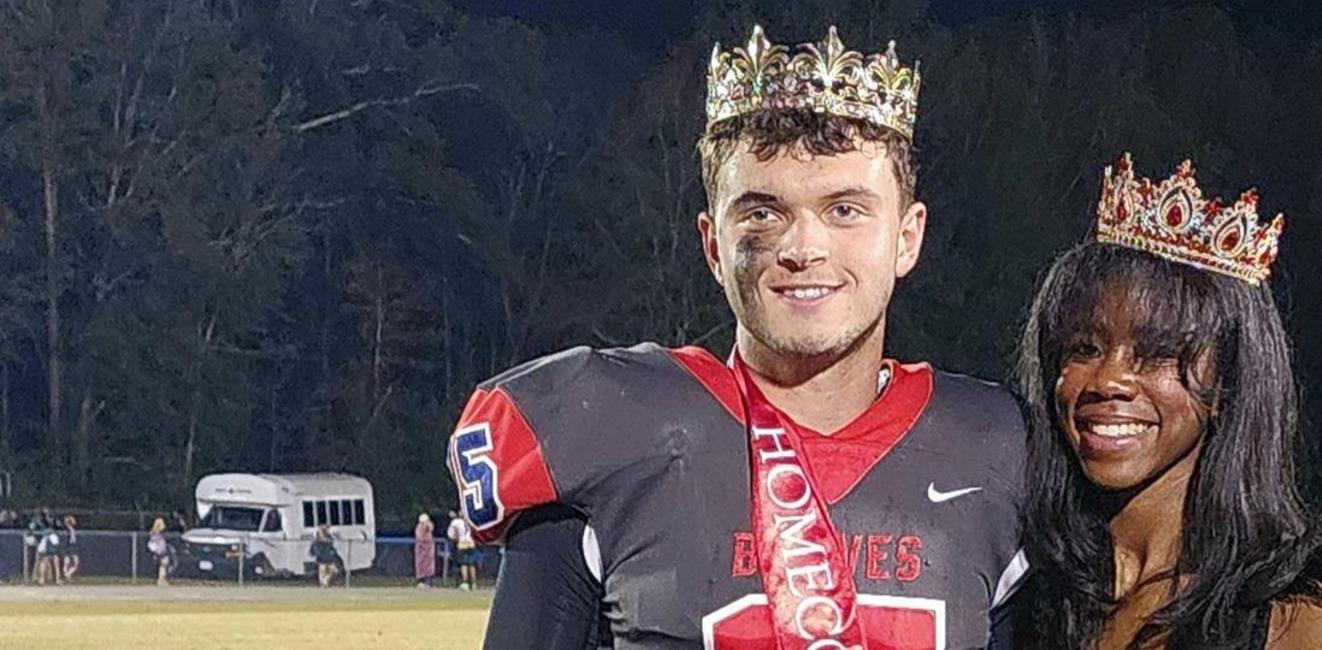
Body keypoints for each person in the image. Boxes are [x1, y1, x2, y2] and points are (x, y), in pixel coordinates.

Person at [448, 25, 1028, 650]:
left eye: (845, 209)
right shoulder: (606, 433)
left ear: (908, 237)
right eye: (761, 213)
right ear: (712, 245)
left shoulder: (997, 448)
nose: (803, 248)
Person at [1009, 154, 1322, 649]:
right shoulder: (1018, 590)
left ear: (1229, 381)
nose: (1109, 379)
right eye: (1084, 348)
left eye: (1155, 353)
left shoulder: (1314, 608)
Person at [445, 510, 476, 590]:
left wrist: (455, 538)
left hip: (462, 543)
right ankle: (473, 583)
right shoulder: (471, 520)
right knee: (471, 564)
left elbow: (452, 532)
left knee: (464, 564)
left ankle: (465, 582)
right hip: (471, 542)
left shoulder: (456, 521)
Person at [414, 512, 438, 588]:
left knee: (428, 564)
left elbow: (431, 528)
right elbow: (419, 537)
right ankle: (422, 580)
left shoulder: (427, 526)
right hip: (421, 548)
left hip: (428, 548)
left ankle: (428, 581)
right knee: (421, 564)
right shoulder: (419, 527)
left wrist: (428, 523)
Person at [147, 517, 172, 586]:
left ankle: (161, 579)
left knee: (163, 565)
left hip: (160, 551)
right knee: (163, 565)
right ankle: (161, 580)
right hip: (160, 551)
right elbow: (154, 543)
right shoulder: (156, 533)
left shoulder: (156, 533)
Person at [58, 515, 79, 583]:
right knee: (69, 562)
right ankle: (67, 575)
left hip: (71, 546)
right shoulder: (68, 529)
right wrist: (67, 521)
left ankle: (67, 575)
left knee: (70, 562)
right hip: (70, 546)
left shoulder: (73, 529)